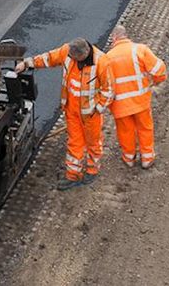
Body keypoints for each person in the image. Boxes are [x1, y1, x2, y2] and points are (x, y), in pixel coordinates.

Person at [16, 38, 113, 190]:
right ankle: (72, 175)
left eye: (76, 60)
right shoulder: (67, 52)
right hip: (72, 110)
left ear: (84, 55)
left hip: (90, 115)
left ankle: (92, 170)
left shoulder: (102, 62)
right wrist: (27, 63)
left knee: (93, 143)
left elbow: (109, 90)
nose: (72, 61)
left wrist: (98, 109)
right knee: (74, 143)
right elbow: (49, 58)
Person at [104, 25, 168, 169]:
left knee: (125, 131)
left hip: (120, 105)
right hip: (141, 101)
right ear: (125, 36)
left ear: (114, 38)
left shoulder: (107, 58)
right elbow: (160, 70)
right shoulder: (140, 50)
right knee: (145, 128)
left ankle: (128, 158)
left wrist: (105, 104)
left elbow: (103, 86)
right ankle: (147, 158)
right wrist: (155, 81)